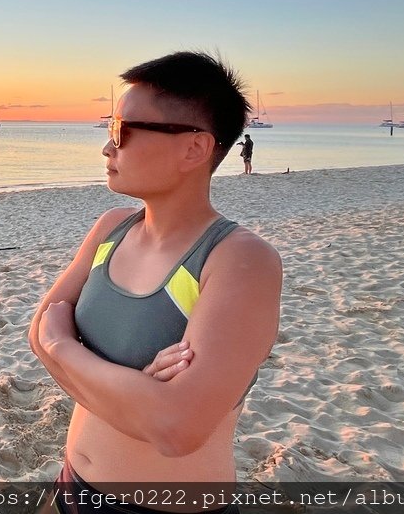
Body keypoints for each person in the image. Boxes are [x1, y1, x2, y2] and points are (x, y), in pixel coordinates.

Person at [29, 52, 282, 513]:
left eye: (122, 132)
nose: (108, 148)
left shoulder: (240, 260)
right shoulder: (111, 228)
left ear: (194, 148)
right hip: (69, 485)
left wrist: (66, 349)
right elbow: (37, 334)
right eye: (109, 129)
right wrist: (138, 393)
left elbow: (176, 429)